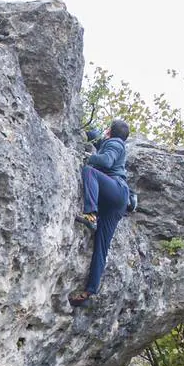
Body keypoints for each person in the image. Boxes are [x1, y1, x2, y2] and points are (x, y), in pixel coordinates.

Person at [69, 119, 132, 308]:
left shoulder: (114, 143)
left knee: (89, 171)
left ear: (110, 132)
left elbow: (105, 160)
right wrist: (89, 132)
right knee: (101, 244)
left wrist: (88, 158)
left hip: (115, 190)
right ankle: (90, 290)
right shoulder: (113, 143)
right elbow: (97, 138)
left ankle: (90, 214)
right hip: (117, 202)